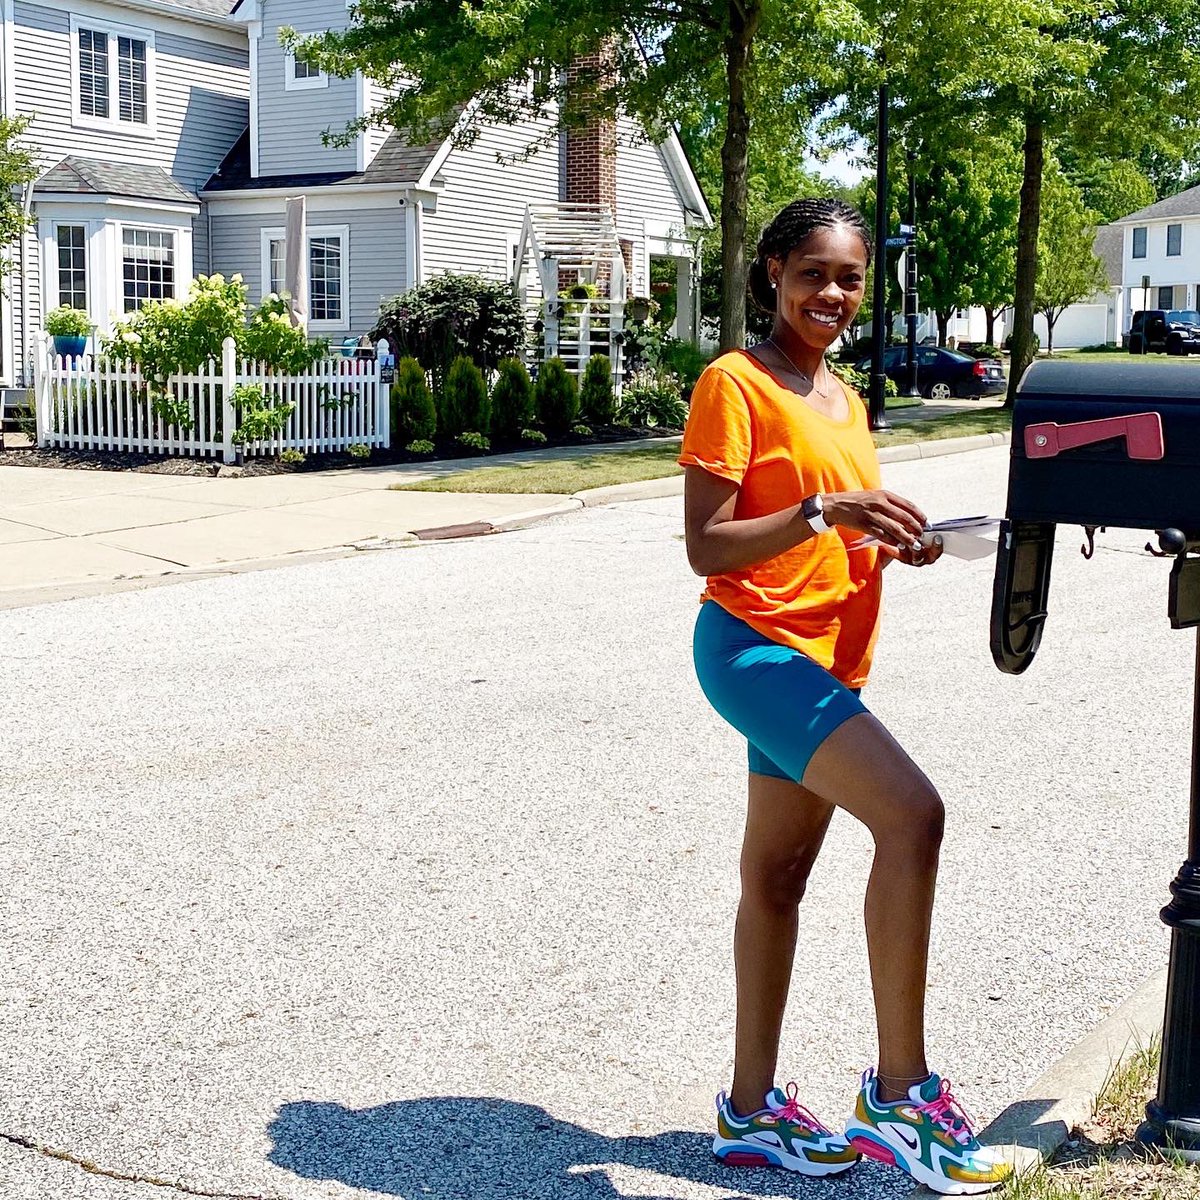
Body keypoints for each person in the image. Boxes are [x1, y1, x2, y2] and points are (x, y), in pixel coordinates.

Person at [678, 198, 1011, 1196]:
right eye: (814, 272)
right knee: (914, 818)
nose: (832, 294)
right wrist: (826, 509)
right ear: (773, 271)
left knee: (777, 878)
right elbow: (709, 542)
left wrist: (889, 539)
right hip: (754, 647)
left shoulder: (844, 400)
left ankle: (751, 1111)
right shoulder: (735, 383)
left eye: (851, 278)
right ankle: (902, 1099)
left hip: (825, 658)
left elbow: (830, 529)